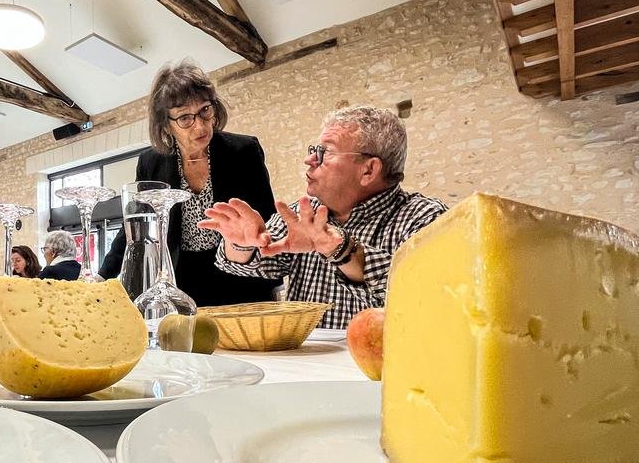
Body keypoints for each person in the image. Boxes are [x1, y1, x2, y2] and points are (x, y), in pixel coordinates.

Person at [199, 106, 446, 329]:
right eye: (313, 150)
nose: (309, 160)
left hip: (382, 373)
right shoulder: (303, 212)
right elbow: (250, 264)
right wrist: (242, 242)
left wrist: (342, 251)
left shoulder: (424, 218)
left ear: (368, 170)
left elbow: (425, 295)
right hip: (305, 369)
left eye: (324, 152)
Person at [99, 59, 280, 305]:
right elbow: (133, 227)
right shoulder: (151, 163)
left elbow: (267, 219)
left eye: (205, 110)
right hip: (182, 279)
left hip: (240, 275)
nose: (200, 125)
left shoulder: (243, 151)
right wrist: (102, 277)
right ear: (166, 124)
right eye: (185, 118)